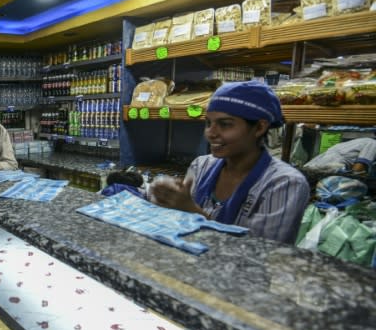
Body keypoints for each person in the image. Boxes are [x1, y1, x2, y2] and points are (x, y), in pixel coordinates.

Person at [148, 81, 310, 244]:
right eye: (208, 123)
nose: (211, 133)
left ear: (260, 128)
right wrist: (167, 200)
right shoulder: (201, 166)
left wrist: (191, 211)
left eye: (225, 124)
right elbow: (180, 228)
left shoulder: (284, 183)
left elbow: (261, 254)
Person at [303, 137, 376, 176]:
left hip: (322, 162)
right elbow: (358, 169)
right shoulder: (373, 143)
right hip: (332, 164)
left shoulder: (365, 140)